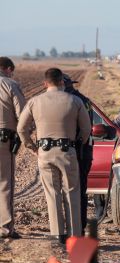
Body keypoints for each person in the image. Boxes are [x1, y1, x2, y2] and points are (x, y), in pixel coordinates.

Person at [17, 68, 91, 246]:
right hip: (68, 151)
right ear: (62, 82)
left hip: (45, 152)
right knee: (72, 192)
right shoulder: (75, 101)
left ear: (45, 83)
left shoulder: (35, 101)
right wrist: (78, 143)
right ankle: (74, 234)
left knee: (52, 193)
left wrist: (32, 147)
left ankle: (57, 234)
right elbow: (87, 128)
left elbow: (21, 128)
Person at [63, 74, 93, 233]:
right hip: (85, 151)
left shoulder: (71, 102)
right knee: (80, 191)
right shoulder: (84, 100)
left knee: (73, 191)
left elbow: (83, 128)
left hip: (77, 150)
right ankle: (79, 226)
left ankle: (72, 227)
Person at [0, 57, 25, 239]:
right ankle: (5, 228)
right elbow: (22, 115)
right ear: (7, 69)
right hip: (3, 140)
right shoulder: (10, 85)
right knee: (4, 184)